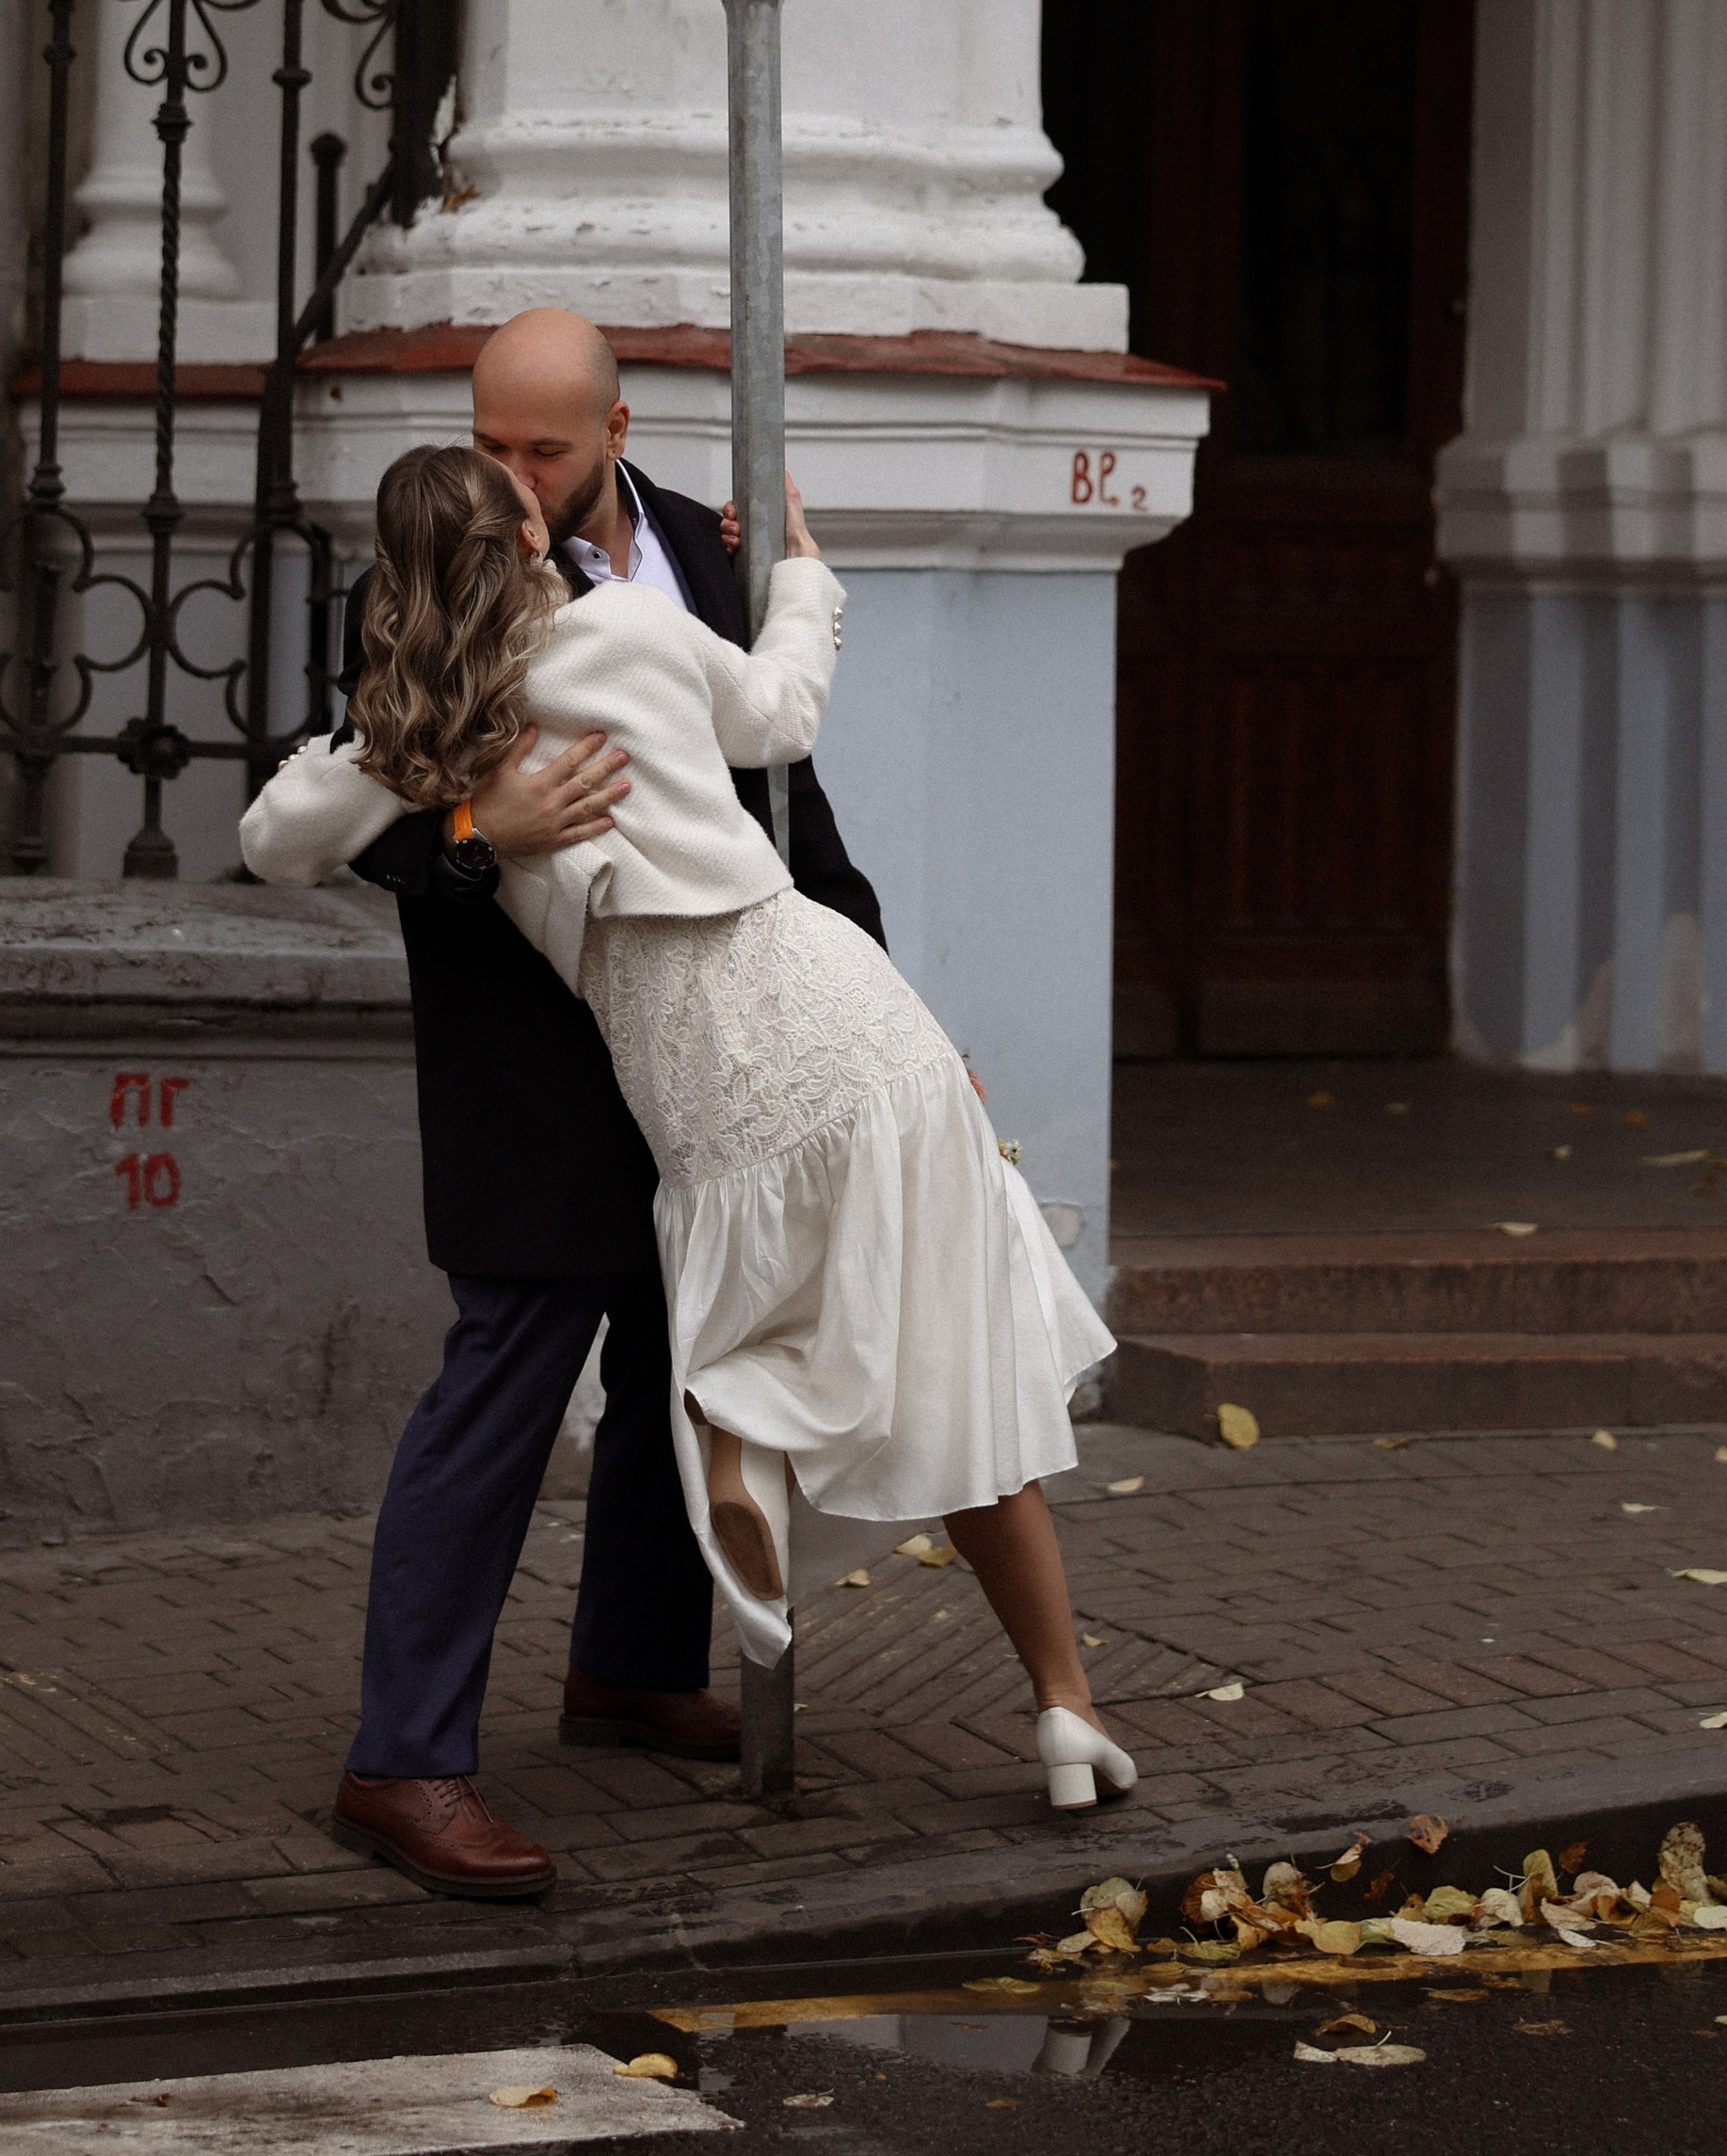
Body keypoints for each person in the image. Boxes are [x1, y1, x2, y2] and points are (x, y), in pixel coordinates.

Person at [245, 437, 1134, 1847]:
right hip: (840, 1013)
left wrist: (458, 797)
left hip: (700, 1068)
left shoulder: (423, 733)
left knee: (742, 1308)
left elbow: (272, 835)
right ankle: (1059, 1696)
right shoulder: (623, 635)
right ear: (527, 537)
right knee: (920, 1330)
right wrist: (807, 576)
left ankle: (726, 1484)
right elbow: (781, 710)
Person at [303, 308, 885, 1904]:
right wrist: (477, 828)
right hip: (526, 1059)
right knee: (502, 1385)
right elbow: (358, 804)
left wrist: (868, 991)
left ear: (616, 431)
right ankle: (402, 1759)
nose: (508, 478)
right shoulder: (426, 558)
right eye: (488, 440)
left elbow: (780, 791)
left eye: (543, 449)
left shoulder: (702, 545)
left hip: (706, 1039)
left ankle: (631, 1665)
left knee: (682, 1355)